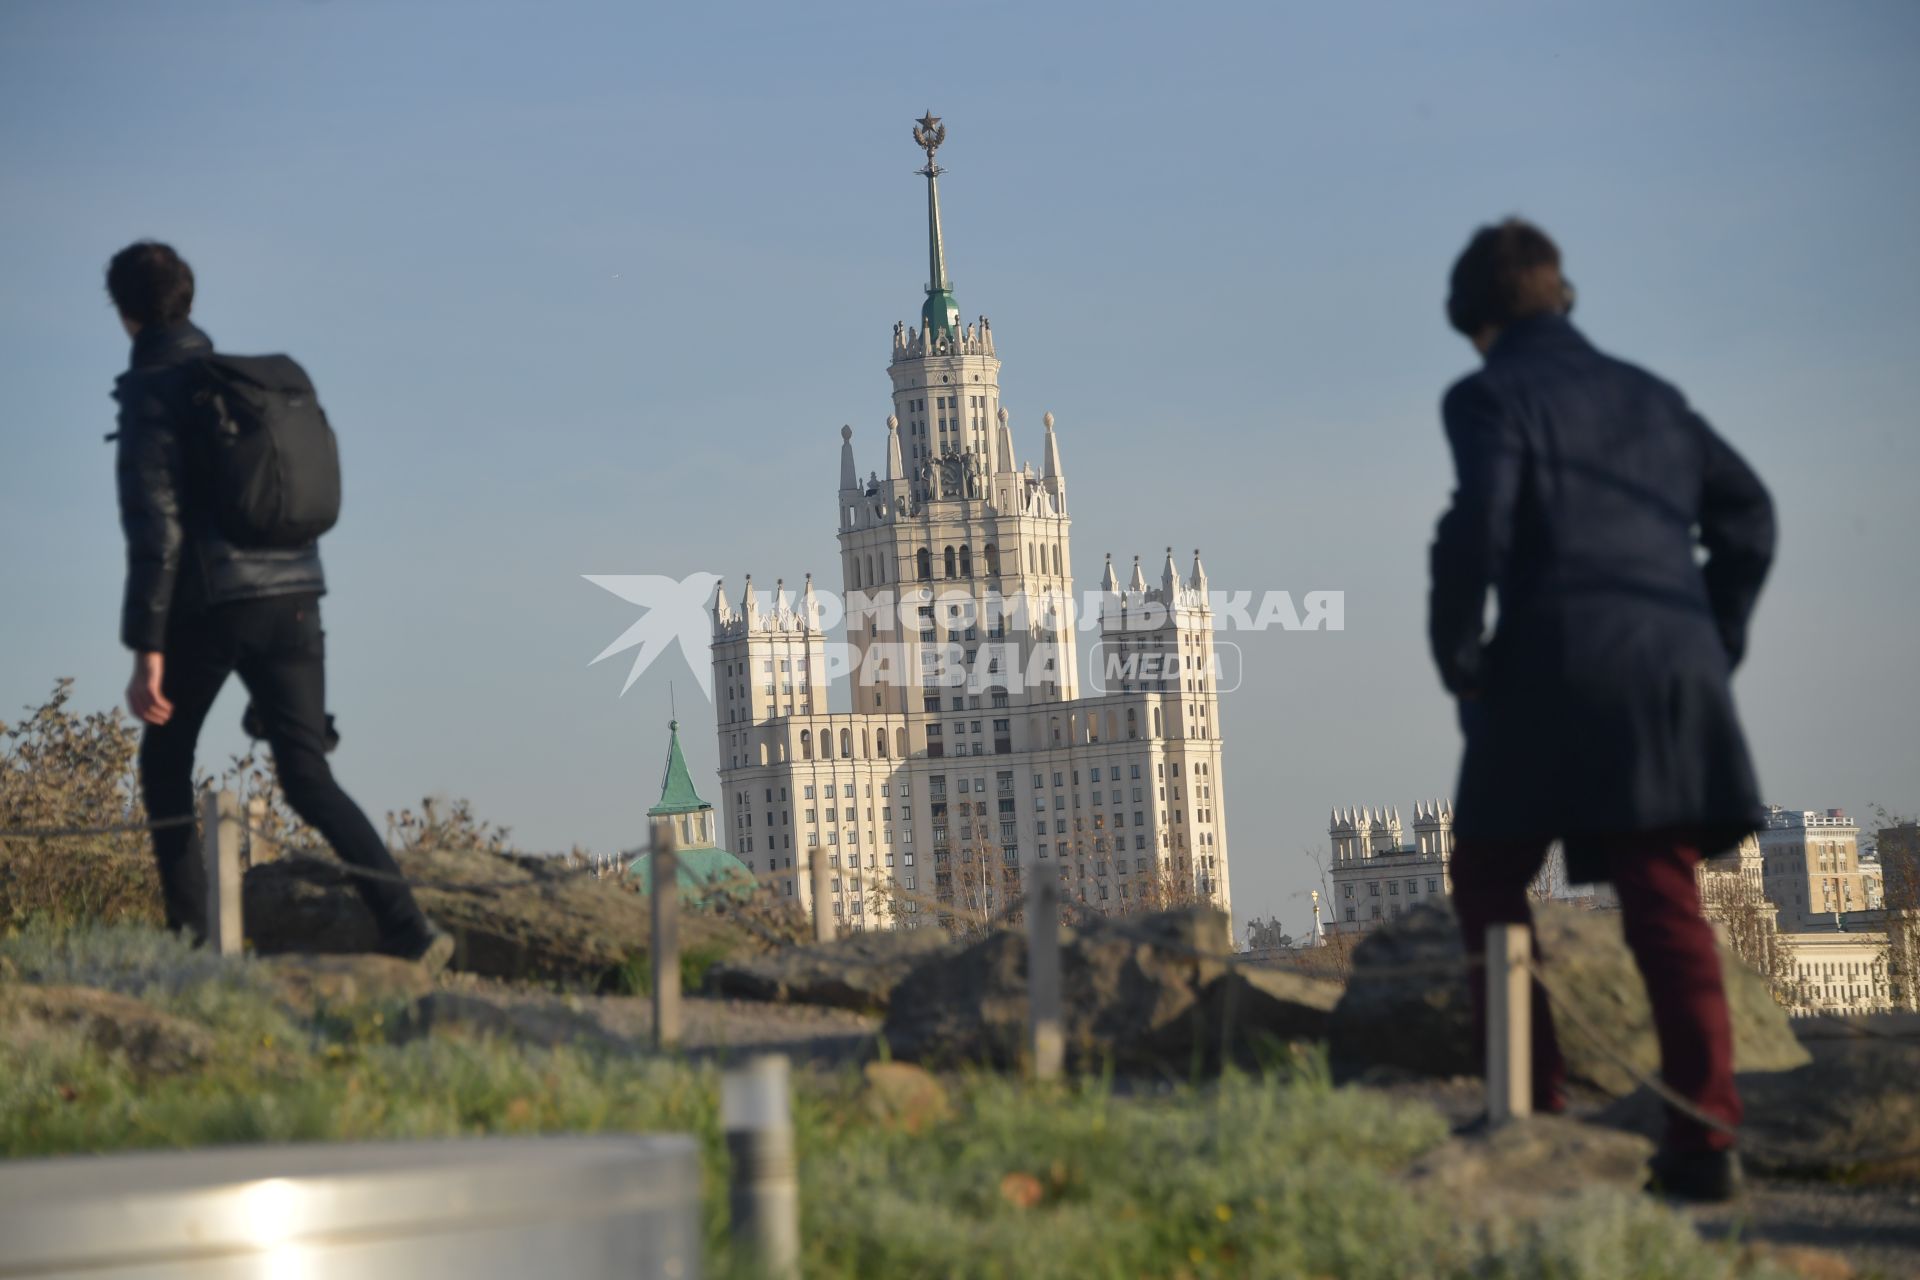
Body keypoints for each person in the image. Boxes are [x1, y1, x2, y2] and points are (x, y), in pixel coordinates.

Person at [1429, 219, 1775, 1202]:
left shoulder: (1487, 393)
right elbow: (1751, 514)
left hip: (1546, 668)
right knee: (1664, 895)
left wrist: (1462, 661)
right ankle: (1707, 1134)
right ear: (1562, 296)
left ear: (1474, 319)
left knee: (1491, 874)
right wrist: (1715, 634)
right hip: (1672, 674)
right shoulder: (1653, 396)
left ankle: (1529, 1108)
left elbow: (1479, 530)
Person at [107, 241, 451, 969]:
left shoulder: (155, 394)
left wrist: (148, 651)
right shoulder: (242, 387)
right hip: (298, 594)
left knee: (165, 763)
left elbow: (155, 528)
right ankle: (409, 930)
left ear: (126, 313)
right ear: (189, 301)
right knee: (307, 776)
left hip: (214, 604)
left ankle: (194, 948)